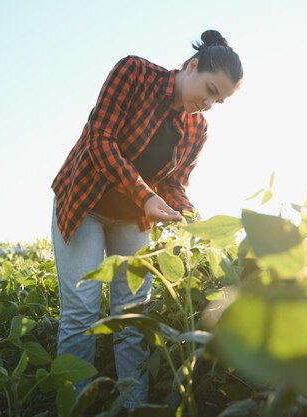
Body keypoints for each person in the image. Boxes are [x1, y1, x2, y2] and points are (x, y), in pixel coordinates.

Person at [50, 29, 243, 408]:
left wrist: (189, 216)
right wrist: (145, 195)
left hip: (133, 220)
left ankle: (134, 409)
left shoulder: (197, 129)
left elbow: (174, 183)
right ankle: (75, 408)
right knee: (81, 313)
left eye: (218, 101)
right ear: (190, 67)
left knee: (133, 319)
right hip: (83, 205)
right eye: (209, 89)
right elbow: (99, 140)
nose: (208, 103)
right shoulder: (134, 73)